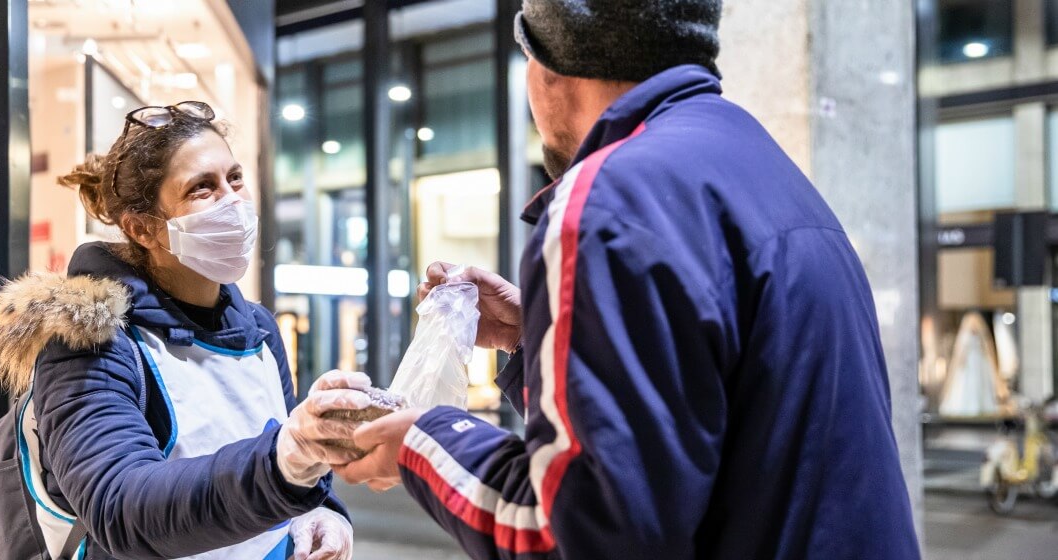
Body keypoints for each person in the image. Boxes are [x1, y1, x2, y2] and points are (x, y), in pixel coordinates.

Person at [331, 1, 922, 559]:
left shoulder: (605, 203)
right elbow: (698, 432)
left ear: (550, 66)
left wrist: (421, 441)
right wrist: (534, 339)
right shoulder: (769, 174)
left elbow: (575, 537)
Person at [0, 101, 370, 559]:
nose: (233, 201)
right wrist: (283, 461)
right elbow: (118, 508)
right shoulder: (91, 342)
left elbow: (281, 462)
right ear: (143, 228)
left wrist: (321, 509)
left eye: (235, 177)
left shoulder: (260, 328)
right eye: (202, 188)